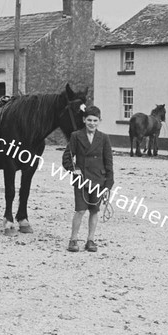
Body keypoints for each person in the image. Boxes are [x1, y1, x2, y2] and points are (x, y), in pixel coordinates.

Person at [62, 105, 114, 252]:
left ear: (99, 121)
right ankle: (73, 240)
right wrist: (74, 169)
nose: (92, 123)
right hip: (81, 181)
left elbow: (109, 163)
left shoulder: (104, 138)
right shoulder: (76, 136)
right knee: (80, 210)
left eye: (95, 120)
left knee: (94, 211)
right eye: (89, 120)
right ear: (84, 120)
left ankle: (90, 240)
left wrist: (108, 185)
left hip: (98, 181)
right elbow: (67, 157)